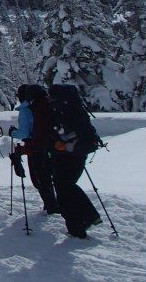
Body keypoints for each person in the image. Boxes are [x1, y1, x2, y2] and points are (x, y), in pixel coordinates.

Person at [48, 84, 102, 239]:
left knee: (64, 187)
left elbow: (65, 132)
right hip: (76, 153)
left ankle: (81, 222)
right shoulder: (75, 108)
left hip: (67, 154)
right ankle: (83, 220)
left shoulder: (65, 110)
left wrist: (62, 144)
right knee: (66, 186)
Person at [8, 84, 58, 214]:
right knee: (47, 176)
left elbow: (24, 133)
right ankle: (53, 203)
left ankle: (51, 206)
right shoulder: (41, 106)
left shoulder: (25, 110)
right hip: (50, 145)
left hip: (34, 146)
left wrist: (13, 133)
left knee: (39, 178)